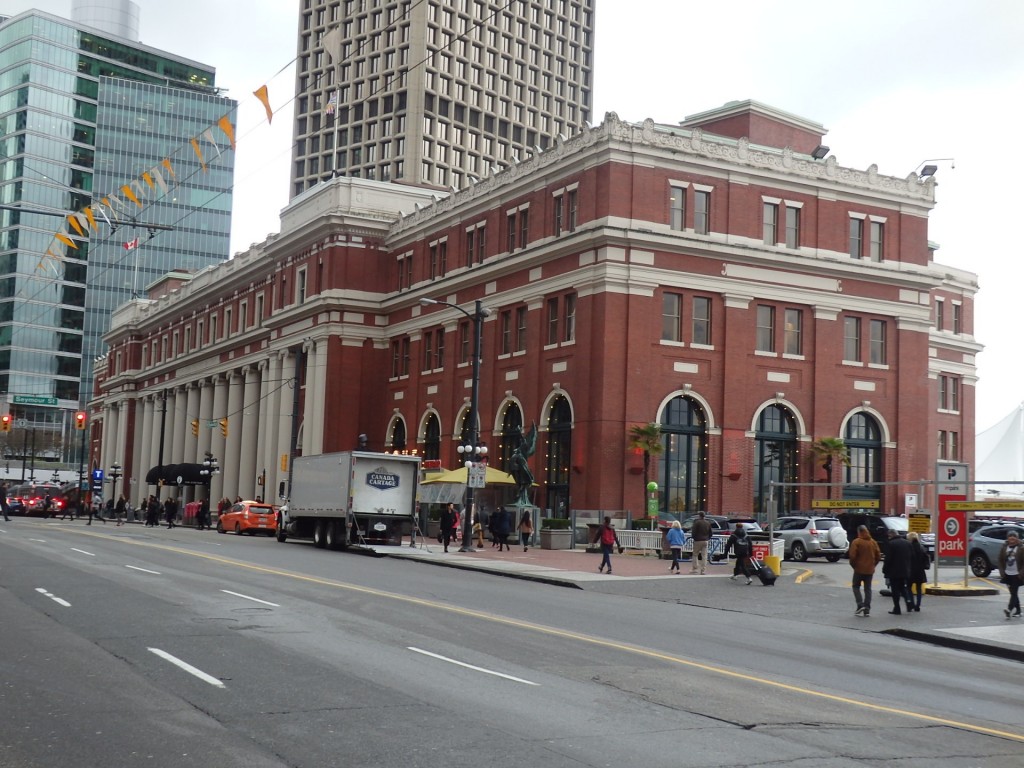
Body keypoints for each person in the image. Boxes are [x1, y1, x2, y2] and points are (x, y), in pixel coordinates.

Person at [848, 524, 882, 617]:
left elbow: (852, 556)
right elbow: (878, 555)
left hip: (859, 569)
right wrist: (873, 565)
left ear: (859, 532)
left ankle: (860, 604)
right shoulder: (873, 542)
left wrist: (854, 565)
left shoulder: (857, 542)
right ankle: (867, 609)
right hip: (869, 570)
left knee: (855, 586)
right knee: (868, 589)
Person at [882, 529, 913, 615]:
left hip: (894, 571)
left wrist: (884, 570)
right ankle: (909, 602)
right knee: (903, 588)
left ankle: (897, 608)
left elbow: (888, 559)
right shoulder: (907, 543)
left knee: (895, 591)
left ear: (891, 535)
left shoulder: (891, 544)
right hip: (905, 570)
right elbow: (911, 556)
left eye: (889, 536)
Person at [998, 530, 1023, 619]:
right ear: (1007, 538)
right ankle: (1019, 611)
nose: (1012, 538)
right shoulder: (1004, 548)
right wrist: (1002, 572)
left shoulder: (1021, 548)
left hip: (1017, 574)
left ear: (1017, 538)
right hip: (1007, 574)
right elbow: (1000, 560)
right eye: (1010, 536)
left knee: (1014, 592)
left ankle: (1009, 609)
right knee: (1013, 593)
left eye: (1014, 536)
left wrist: (1021, 573)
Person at [907, 531, 928, 612]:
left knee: (909, 587)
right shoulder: (921, 547)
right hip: (920, 571)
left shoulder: (909, 547)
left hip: (910, 570)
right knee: (919, 589)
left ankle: (911, 603)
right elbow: (926, 558)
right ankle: (918, 605)